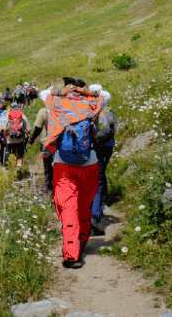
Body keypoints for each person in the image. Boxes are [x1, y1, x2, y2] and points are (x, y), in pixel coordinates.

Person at [39, 77, 102, 269]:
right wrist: (86, 92)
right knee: (84, 206)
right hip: (90, 163)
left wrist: (62, 91)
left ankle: (71, 254)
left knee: (68, 209)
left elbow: (45, 92)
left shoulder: (55, 102)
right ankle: (81, 242)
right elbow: (103, 92)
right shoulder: (92, 103)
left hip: (63, 164)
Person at [91, 89, 116, 235]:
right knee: (99, 179)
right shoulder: (108, 111)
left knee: (97, 179)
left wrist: (94, 141)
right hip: (105, 148)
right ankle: (96, 213)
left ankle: (94, 213)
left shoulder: (98, 111)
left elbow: (105, 130)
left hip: (97, 149)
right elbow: (109, 131)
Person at [0, 102, 30, 174]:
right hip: (20, 140)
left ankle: (9, 169)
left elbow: (2, 129)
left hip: (9, 140)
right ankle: (18, 167)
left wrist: (4, 137)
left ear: (11, 107)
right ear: (18, 107)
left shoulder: (7, 115)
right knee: (20, 155)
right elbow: (28, 129)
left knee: (9, 153)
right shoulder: (22, 115)